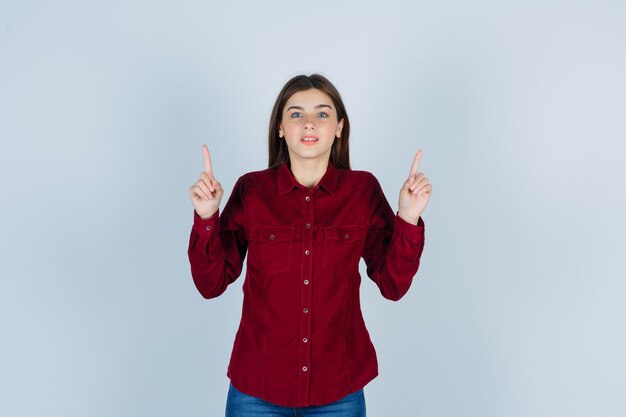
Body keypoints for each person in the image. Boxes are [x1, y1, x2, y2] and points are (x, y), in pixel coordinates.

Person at [187, 74, 431, 417]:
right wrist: (207, 217)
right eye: (296, 114)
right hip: (257, 389)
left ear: (339, 127)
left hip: (338, 391)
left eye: (322, 113)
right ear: (281, 128)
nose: (309, 123)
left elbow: (392, 284)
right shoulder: (252, 191)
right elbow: (211, 283)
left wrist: (407, 218)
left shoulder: (361, 192)